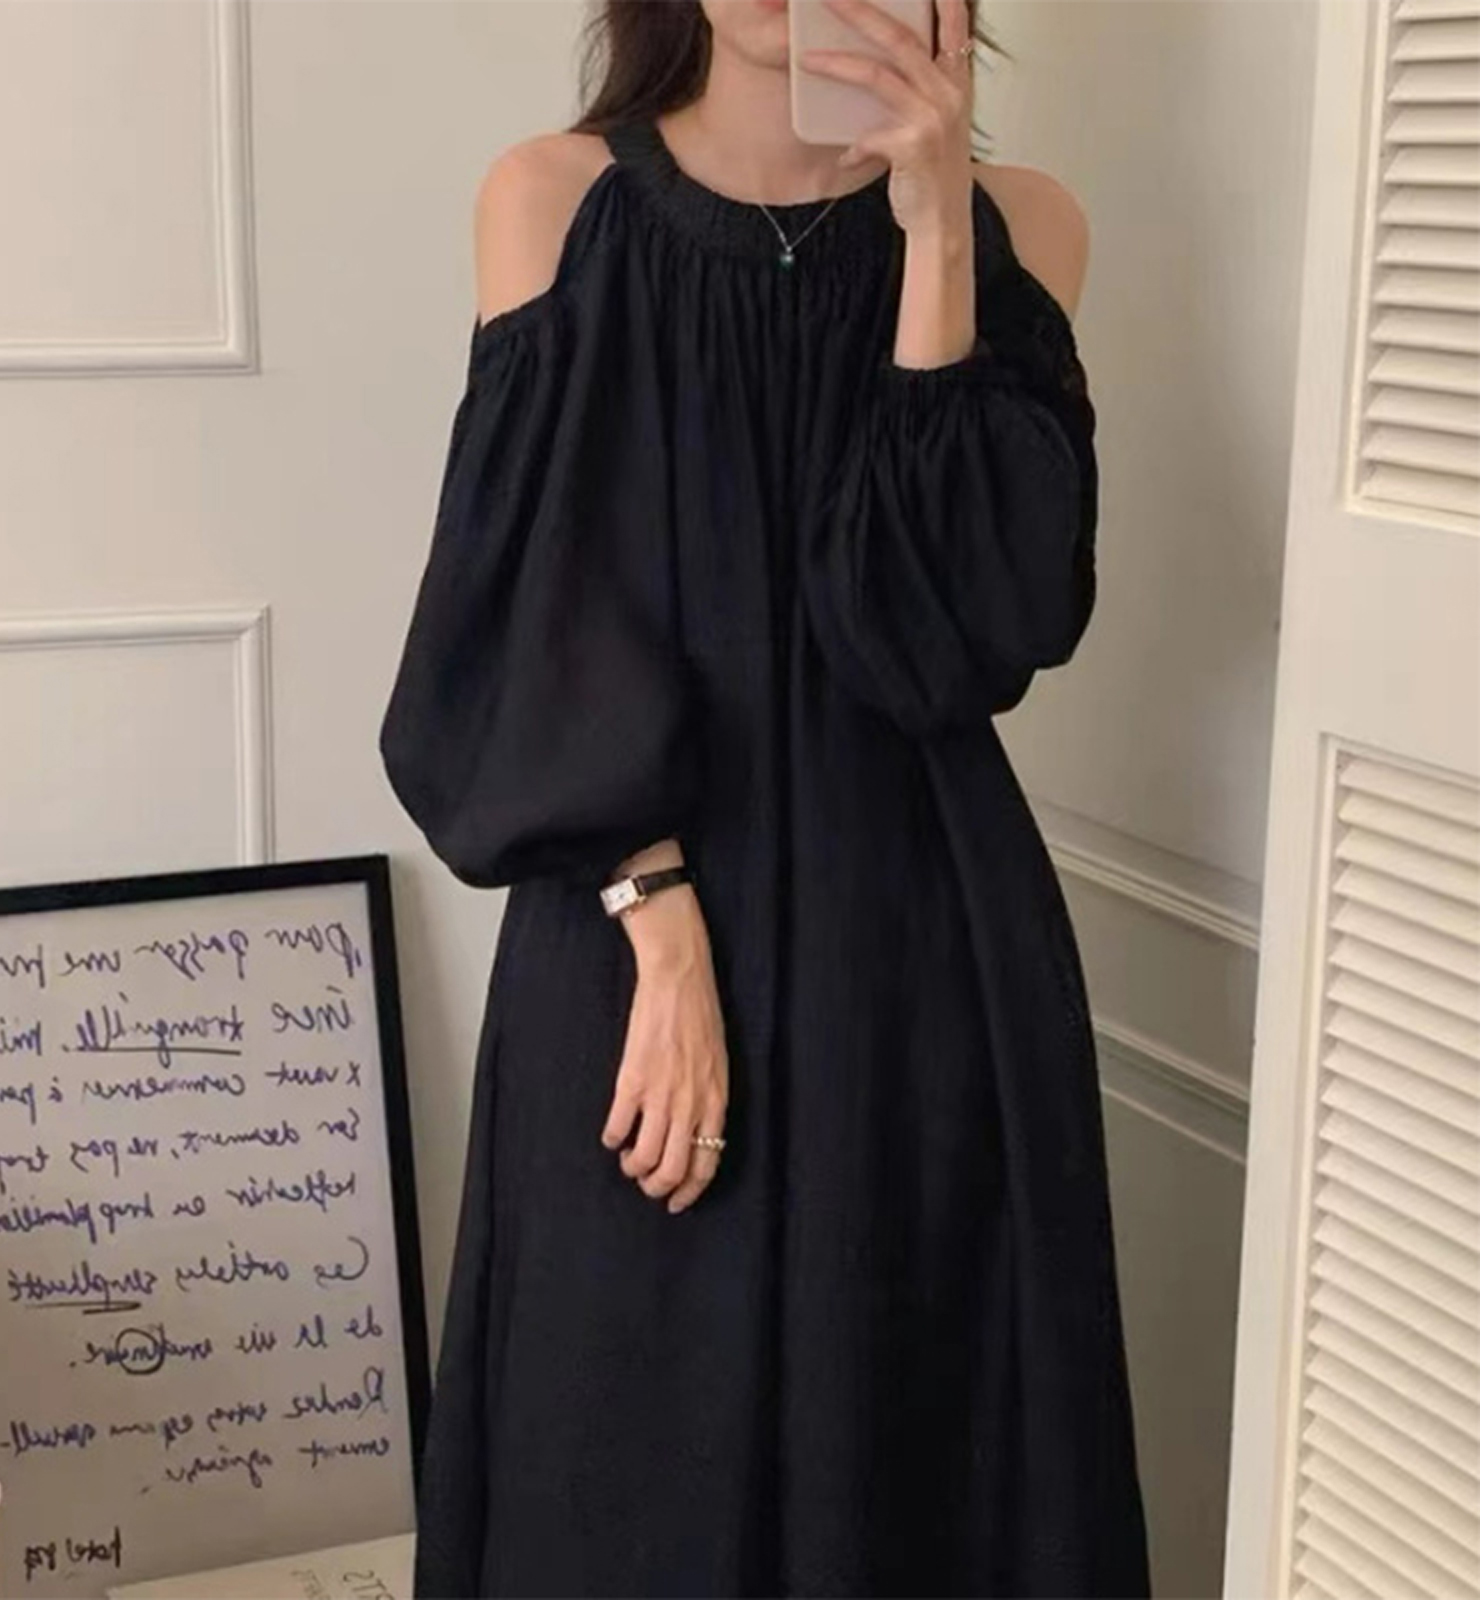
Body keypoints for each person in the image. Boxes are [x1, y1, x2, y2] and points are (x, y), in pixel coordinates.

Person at [379, 0, 1152, 1593]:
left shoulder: (1023, 231)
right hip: (627, 927)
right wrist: (663, 937)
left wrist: (937, 232)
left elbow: (945, 638)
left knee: (917, 1470)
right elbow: (527, 625)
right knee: (618, 1469)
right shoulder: (555, 207)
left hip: (923, 957)